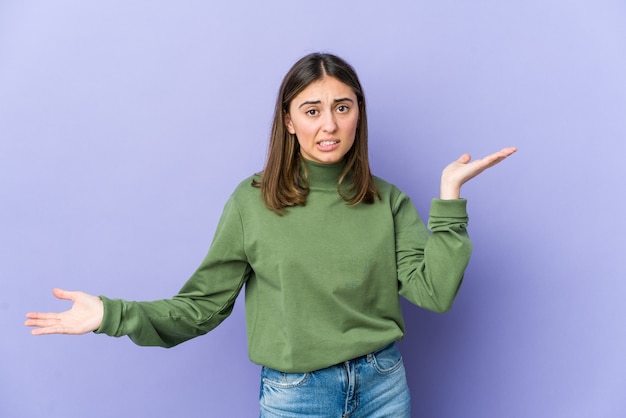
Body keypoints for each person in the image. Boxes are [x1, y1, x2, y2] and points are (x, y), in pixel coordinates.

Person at [25, 52, 516, 417]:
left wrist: (449, 200)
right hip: (297, 395)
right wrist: (112, 314)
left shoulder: (386, 200)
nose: (329, 124)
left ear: (359, 114)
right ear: (288, 120)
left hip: (383, 385)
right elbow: (200, 308)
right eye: (312, 110)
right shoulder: (252, 202)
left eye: (343, 107)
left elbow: (434, 293)